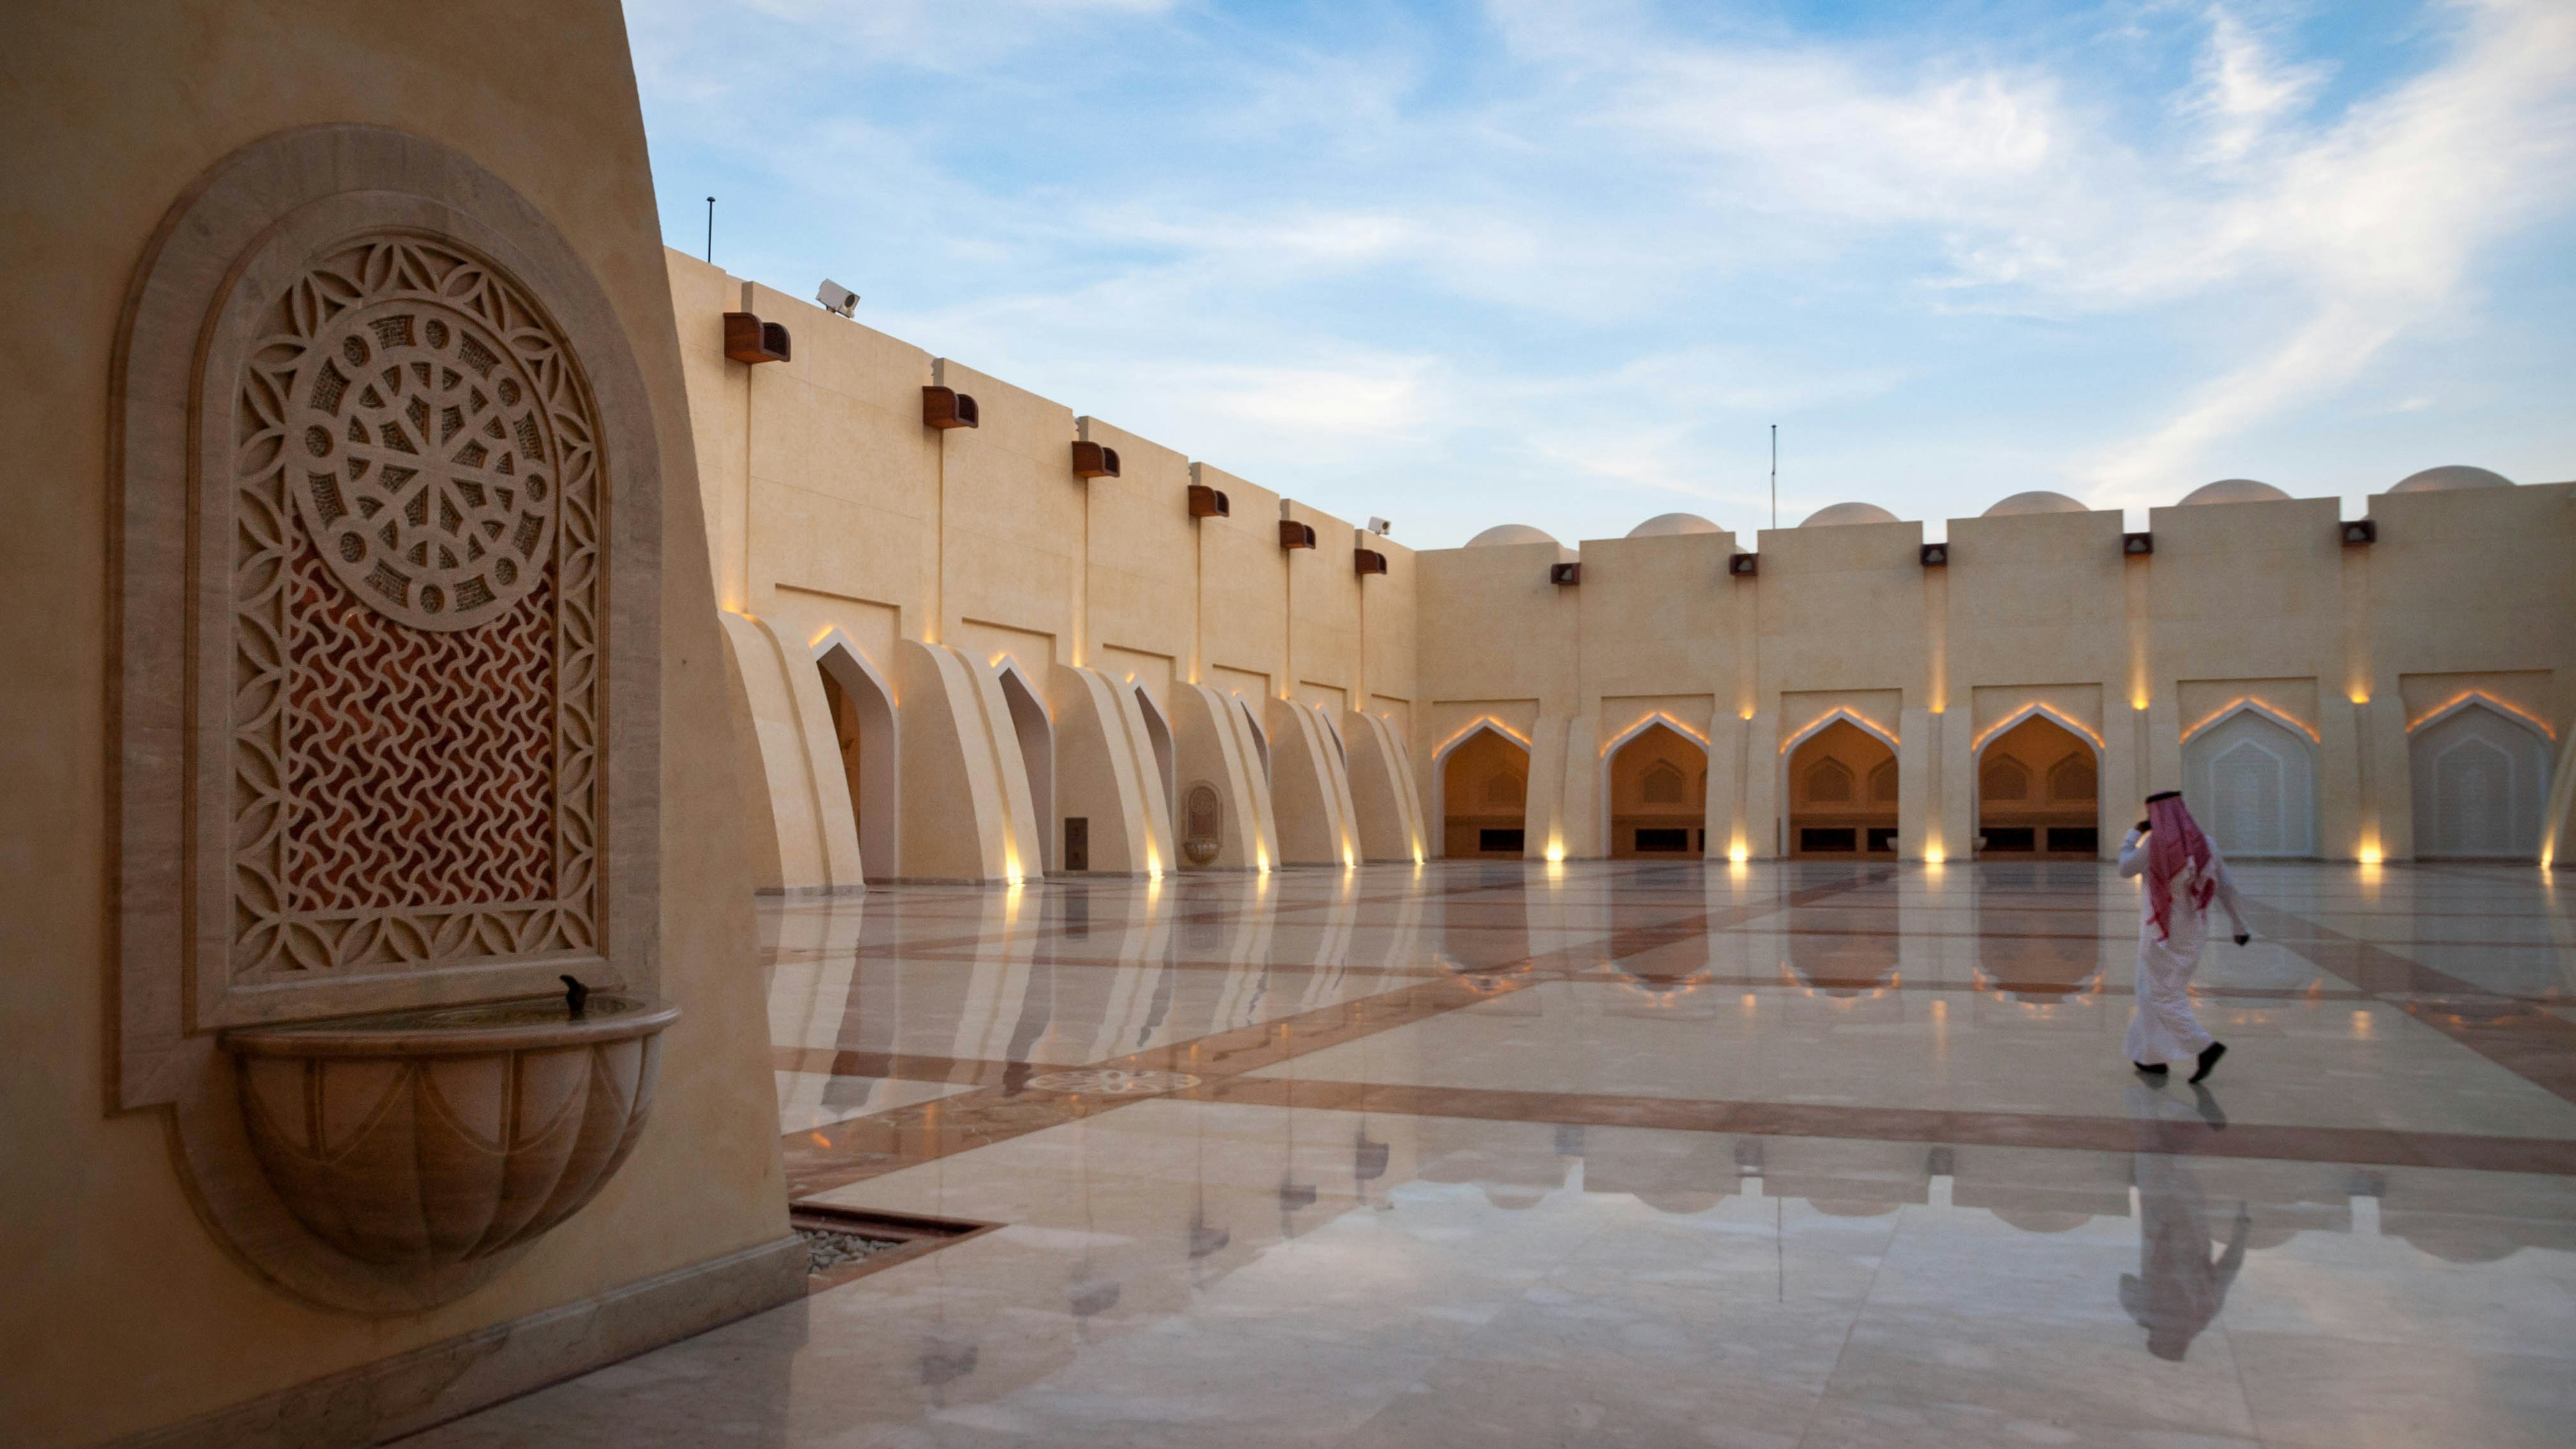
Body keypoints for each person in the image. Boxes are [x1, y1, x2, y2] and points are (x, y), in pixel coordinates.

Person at [2118, 790, 2248, 1083]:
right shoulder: (2207, 844)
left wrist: (2133, 834)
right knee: (2149, 989)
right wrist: (2239, 926)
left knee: (2162, 994)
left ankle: (2205, 1046)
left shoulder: (2155, 844)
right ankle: (2152, 1058)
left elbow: (2125, 867)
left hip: (2161, 933)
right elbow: (2226, 887)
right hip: (2194, 931)